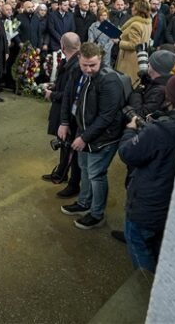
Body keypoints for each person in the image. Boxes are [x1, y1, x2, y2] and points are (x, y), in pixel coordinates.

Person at [118, 72, 175, 272]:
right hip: (170, 205)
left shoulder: (160, 132)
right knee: (156, 248)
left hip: (147, 206)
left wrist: (130, 131)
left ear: (171, 98)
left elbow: (128, 153)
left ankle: (144, 289)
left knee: (140, 250)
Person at [58, 43, 125, 230]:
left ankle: (96, 214)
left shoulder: (109, 80)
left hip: (104, 139)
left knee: (96, 175)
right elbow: (82, 105)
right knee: (85, 169)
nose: (88, 69)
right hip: (86, 133)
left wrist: (84, 137)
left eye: (92, 65)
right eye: (84, 65)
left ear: (100, 59)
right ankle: (84, 202)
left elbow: (107, 117)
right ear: (79, 60)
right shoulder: (88, 76)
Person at [44, 32, 81, 196]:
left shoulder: (75, 66)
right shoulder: (74, 61)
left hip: (70, 115)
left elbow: (70, 94)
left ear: (62, 46)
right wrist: (55, 86)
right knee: (65, 145)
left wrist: (52, 95)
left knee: (70, 148)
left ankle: (72, 183)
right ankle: (61, 173)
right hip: (67, 112)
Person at [115, 0, 152, 89]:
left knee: (126, 85)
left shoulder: (135, 24)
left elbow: (134, 45)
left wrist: (119, 42)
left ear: (138, 10)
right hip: (139, 57)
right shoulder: (147, 23)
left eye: (133, 7)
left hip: (129, 60)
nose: (131, 9)